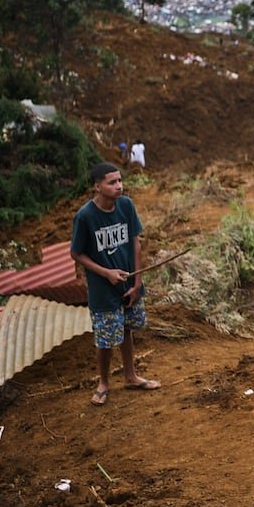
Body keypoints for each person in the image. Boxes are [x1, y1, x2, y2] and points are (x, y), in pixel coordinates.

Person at [70, 162, 160, 406]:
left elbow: (135, 242)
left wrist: (137, 281)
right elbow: (77, 254)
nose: (119, 186)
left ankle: (130, 376)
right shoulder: (86, 216)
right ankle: (104, 382)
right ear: (97, 186)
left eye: (120, 181)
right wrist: (106, 273)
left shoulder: (126, 206)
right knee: (106, 339)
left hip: (128, 285)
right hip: (103, 289)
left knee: (127, 329)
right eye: (112, 182)